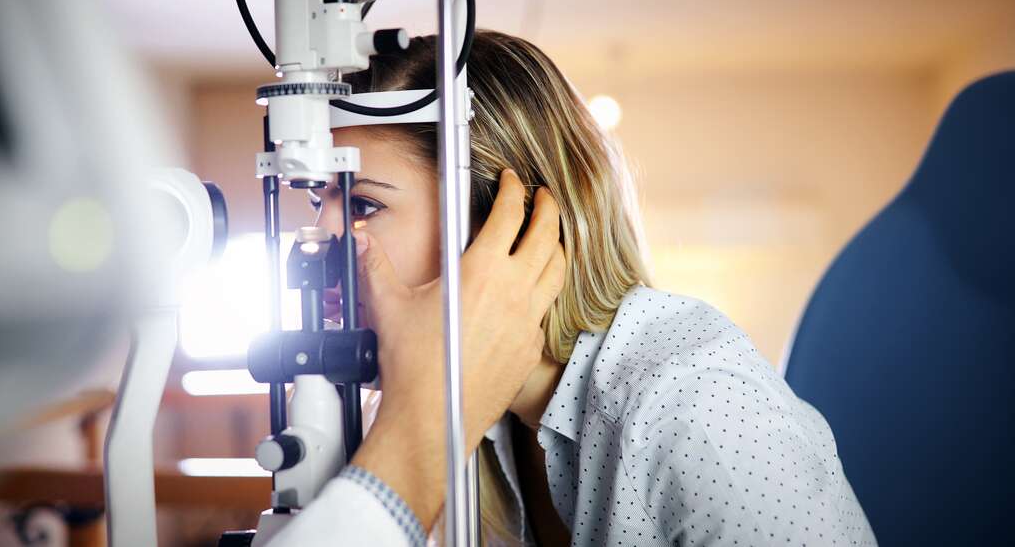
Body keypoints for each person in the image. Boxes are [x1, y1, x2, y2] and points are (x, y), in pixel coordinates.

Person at [271, 30, 876, 547]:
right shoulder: (459, 420)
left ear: (506, 222)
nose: (321, 241)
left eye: (365, 204)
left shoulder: (700, 407)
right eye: (320, 199)